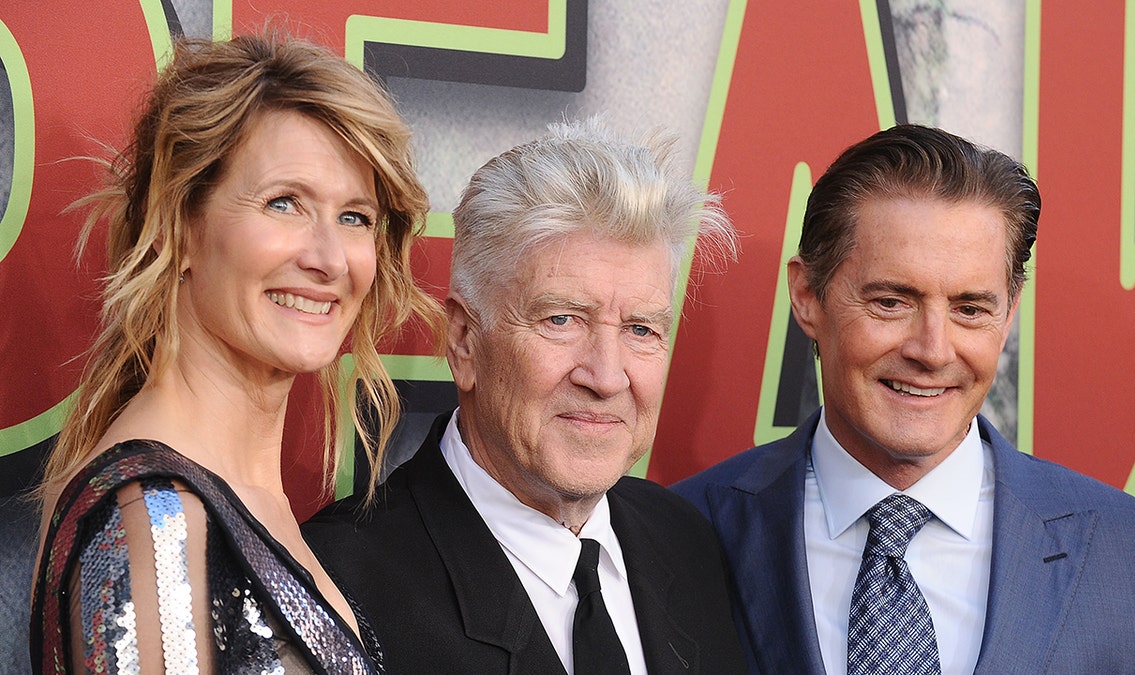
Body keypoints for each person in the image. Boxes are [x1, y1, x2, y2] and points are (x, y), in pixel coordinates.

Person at [674, 124, 1135, 674]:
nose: (933, 350)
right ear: (808, 296)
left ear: (1009, 313)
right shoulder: (676, 536)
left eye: (970, 309)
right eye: (892, 301)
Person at [30, 33, 443, 673]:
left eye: (355, 217)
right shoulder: (153, 516)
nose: (328, 259)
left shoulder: (234, 498)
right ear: (178, 226)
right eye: (285, 203)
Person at [303, 119, 748, 674]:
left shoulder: (686, 542)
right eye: (561, 319)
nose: (607, 377)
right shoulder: (335, 590)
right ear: (464, 341)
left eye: (640, 330)